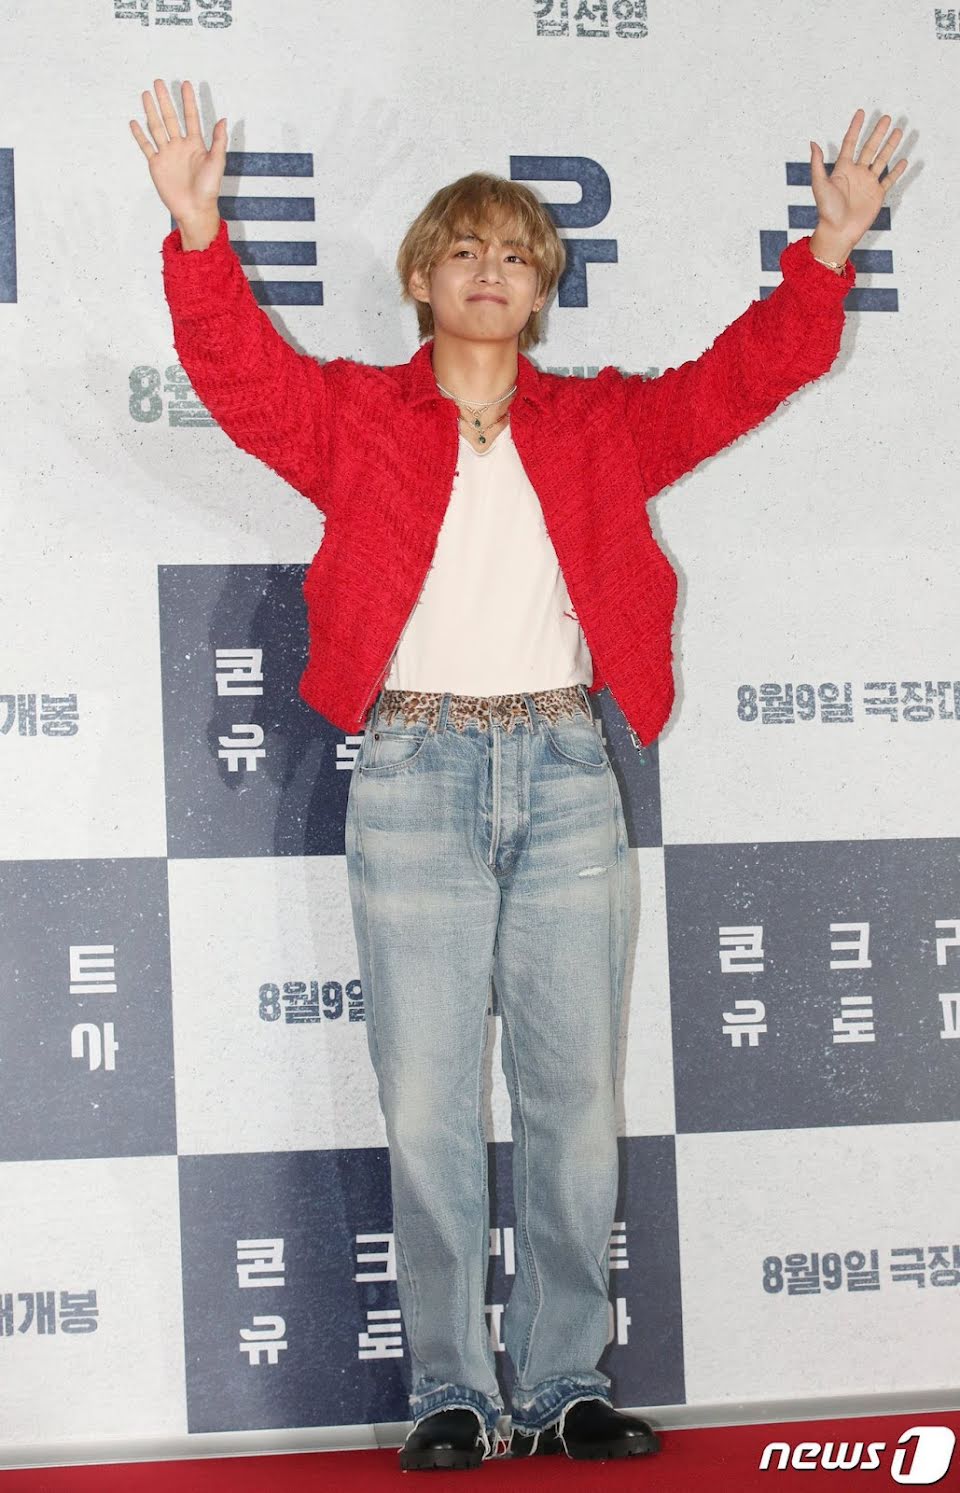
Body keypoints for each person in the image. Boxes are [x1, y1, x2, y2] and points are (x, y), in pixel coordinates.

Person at [131, 80, 907, 1472]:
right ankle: (450, 1387)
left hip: (563, 769)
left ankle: (561, 1383)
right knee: (427, 1104)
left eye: (514, 253)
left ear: (543, 287)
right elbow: (239, 377)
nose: (489, 270)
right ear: (423, 279)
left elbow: (742, 378)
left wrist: (831, 248)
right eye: (463, 249)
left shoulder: (599, 424)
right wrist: (198, 232)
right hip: (413, 770)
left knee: (573, 1103)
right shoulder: (359, 417)